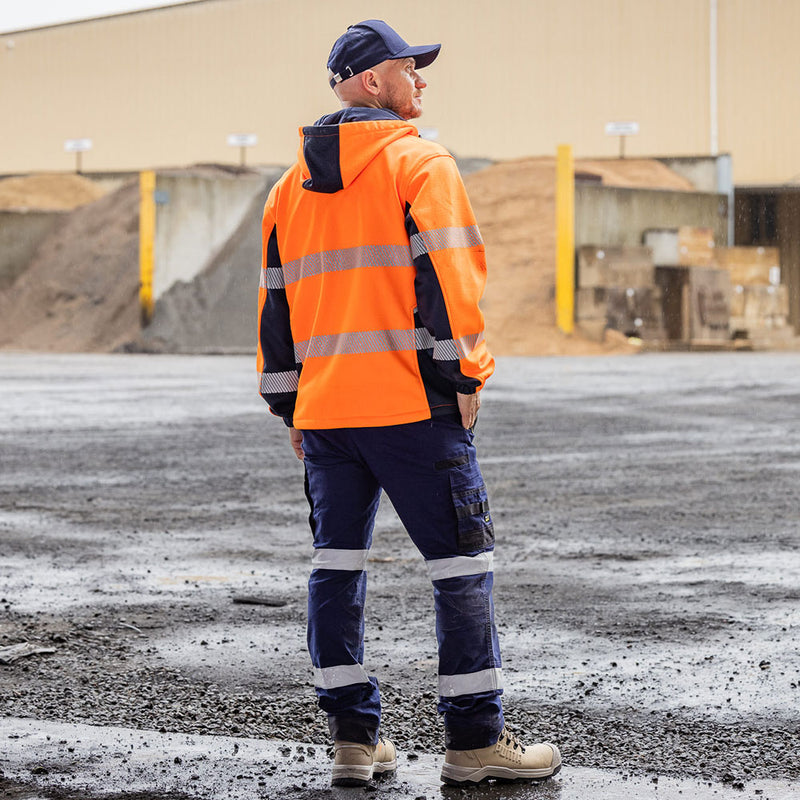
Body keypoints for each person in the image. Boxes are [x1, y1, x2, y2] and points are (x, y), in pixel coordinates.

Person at [257, 19, 561, 787]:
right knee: (462, 568)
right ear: (368, 83)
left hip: (327, 415)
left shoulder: (287, 189)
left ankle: (355, 742)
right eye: (407, 68)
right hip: (411, 409)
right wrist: (465, 381)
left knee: (336, 567)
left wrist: (291, 407)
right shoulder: (419, 162)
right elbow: (452, 284)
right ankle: (474, 744)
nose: (421, 79)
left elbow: (275, 312)